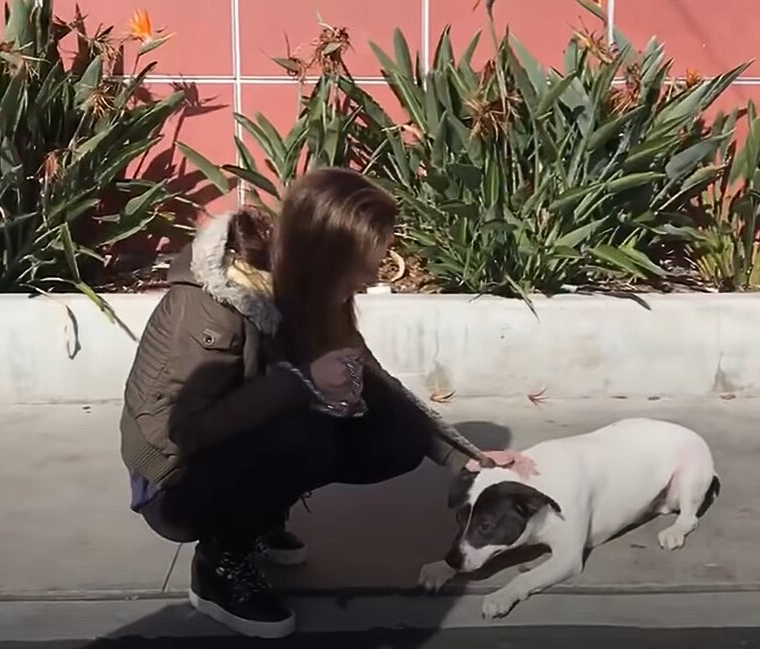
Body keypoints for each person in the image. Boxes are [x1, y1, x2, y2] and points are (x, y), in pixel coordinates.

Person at [119, 168, 532, 639]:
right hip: (172, 485)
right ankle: (220, 563)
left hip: (236, 446)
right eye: (368, 263)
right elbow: (178, 432)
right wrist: (301, 384)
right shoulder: (212, 305)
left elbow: (375, 382)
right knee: (305, 429)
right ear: (326, 256)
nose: (376, 275)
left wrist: (469, 460)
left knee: (393, 434)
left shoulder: (316, 291)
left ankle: (257, 516)